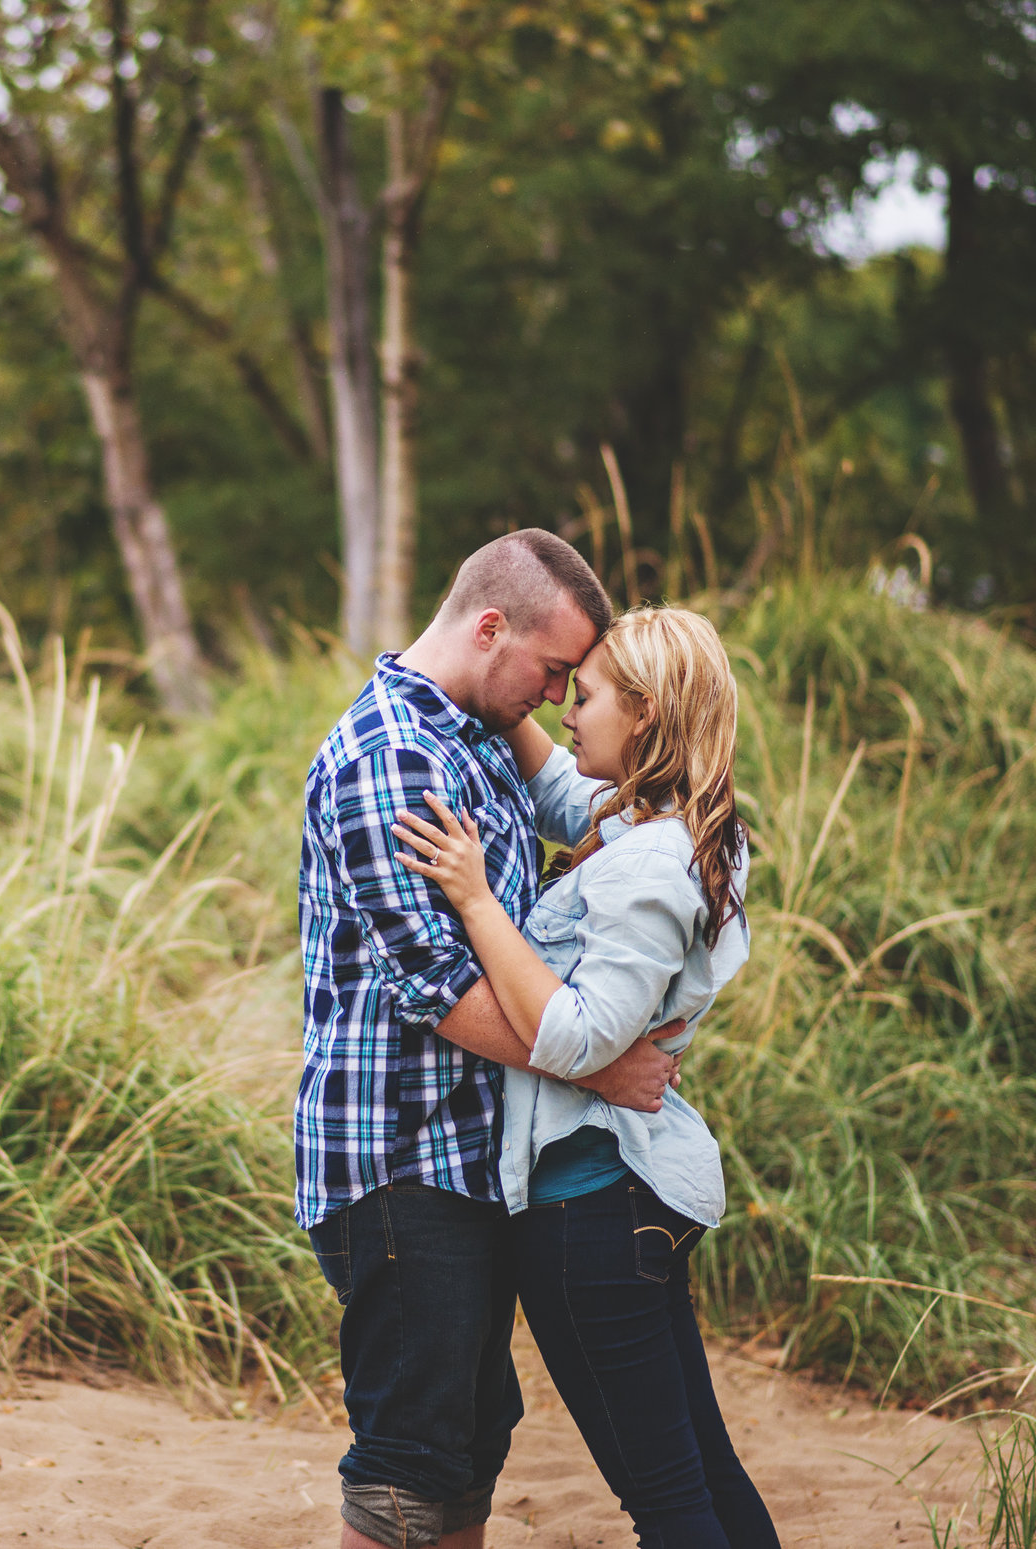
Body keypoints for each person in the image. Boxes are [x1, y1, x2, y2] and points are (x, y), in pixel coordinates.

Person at [297, 530, 688, 1549]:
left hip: (463, 1160)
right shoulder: (392, 753)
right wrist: (600, 1065)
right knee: (407, 1457)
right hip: (397, 1156)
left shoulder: (474, 725)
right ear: (486, 628)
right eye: (553, 670)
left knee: (471, 1438)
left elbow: (588, 798)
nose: (559, 696)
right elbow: (441, 989)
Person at [391, 603, 778, 1549]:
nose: (565, 705)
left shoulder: (647, 866)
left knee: (669, 1502)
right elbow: (566, 784)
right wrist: (467, 667)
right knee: (703, 1475)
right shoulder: (669, 826)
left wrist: (480, 902)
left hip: (587, 1219)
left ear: (643, 715)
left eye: (588, 691)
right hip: (617, 1202)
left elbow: (575, 1036)